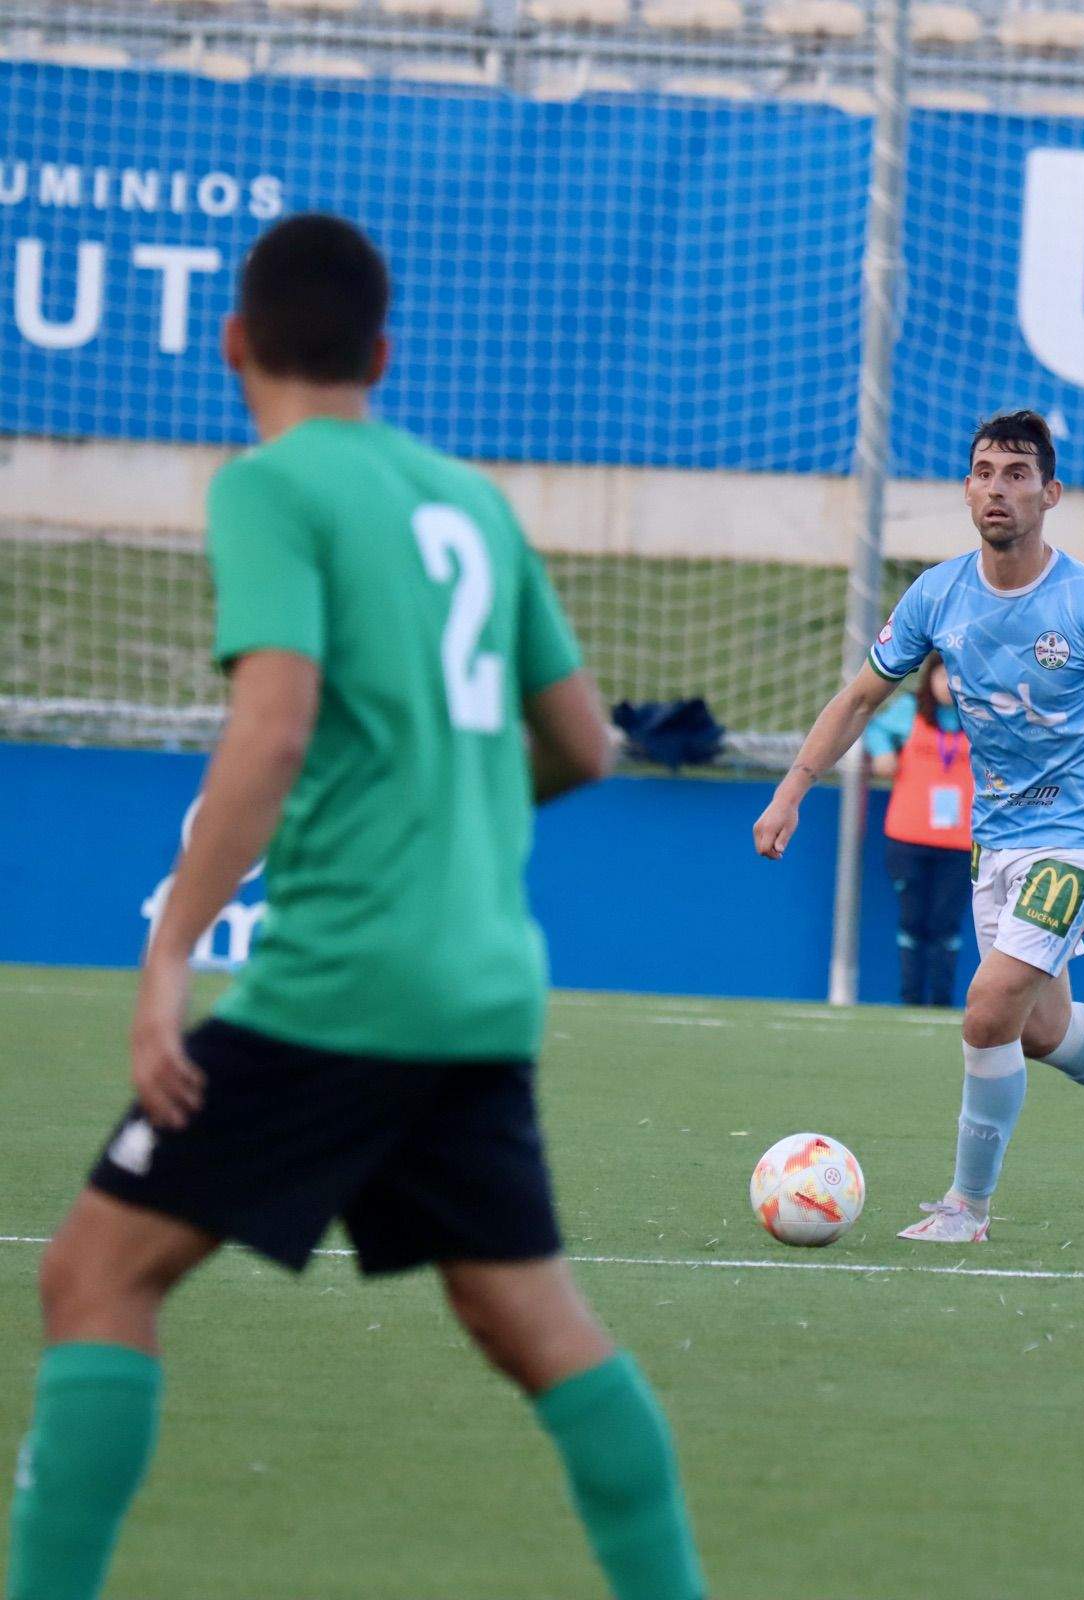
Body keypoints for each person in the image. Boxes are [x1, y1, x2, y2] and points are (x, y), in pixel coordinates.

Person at [4, 216, 706, 1600]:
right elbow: (583, 741)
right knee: (532, 1323)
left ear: (233, 344)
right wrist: (457, 812)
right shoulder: (468, 498)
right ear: (384, 353)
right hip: (481, 984)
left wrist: (166, 955)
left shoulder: (271, 486)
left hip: (341, 988)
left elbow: (271, 729)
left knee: (92, 1277)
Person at [753, 410, 1084, 1243]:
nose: (998, 488)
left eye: (1017, 474)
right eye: (984, 472)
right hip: (997, 835)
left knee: (987, 1008)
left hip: (1083, 834)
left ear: (1050, 492)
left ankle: (968, 1207)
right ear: (967, 489)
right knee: (1039, 1031)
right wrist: (793, 787)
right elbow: (861, 697)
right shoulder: (937, 594)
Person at [865, 659, 974, 1006]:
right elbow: (874, 729)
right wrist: (882, 754)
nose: (950, 684)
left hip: (961, 842)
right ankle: (910, 998)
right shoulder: (910, 711)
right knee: (913, 920)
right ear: (931, 678)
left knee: (946, 924)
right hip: (908, 837)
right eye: (944, 675)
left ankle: (942, 1001)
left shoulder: (984, 720)